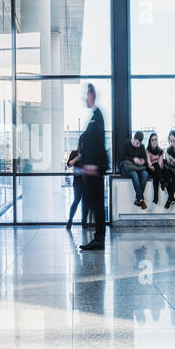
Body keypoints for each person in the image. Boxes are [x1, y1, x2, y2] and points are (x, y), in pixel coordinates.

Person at [77, 84, 108, 251]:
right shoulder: (94, 116)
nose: (85, 98)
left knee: (96, 204)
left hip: (94, 170)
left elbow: (98, 143)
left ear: (92, 95)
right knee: (94, 203)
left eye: (86, 95)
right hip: (92, 169)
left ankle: (99, 239)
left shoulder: (98, 116)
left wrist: (92, 165)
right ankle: (98, 238)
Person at [118, 131, 149, 209]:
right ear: (134, 138)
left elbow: (144, 159)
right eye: (137, 143)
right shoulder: (126, 143)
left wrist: (142, 161)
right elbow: (121, 157)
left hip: (137, 167)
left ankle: (138, 199)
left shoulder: (141, 146)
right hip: (127, 167)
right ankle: (141, 199)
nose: (138, 145)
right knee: (134, 175)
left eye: (139, 143)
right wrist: (133, 159)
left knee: (145, 174)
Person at [145, 132, 164, 205]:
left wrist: (158, 168)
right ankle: (162, 181)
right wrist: (152, 166)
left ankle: (155, 197)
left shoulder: (160, 150)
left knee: (156, 169)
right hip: (149, 169)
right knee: (155, 166)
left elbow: (160, 162)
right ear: (150, 141)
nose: (154, 141)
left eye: (155, 140)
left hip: (157, 170)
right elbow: (149, 163)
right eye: (152, 140)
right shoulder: (147, 150)